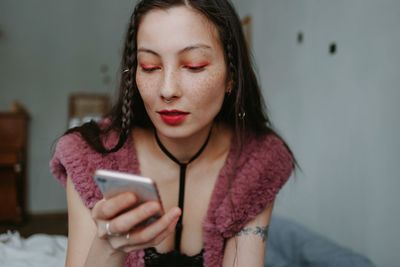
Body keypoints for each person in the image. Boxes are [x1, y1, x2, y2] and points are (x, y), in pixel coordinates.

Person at [50, 0, 295, 266]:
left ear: (231, 76)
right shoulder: (89, 154)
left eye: (194, 65)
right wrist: (108, 248)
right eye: (149, 67)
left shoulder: (257, 161)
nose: (167, 90)